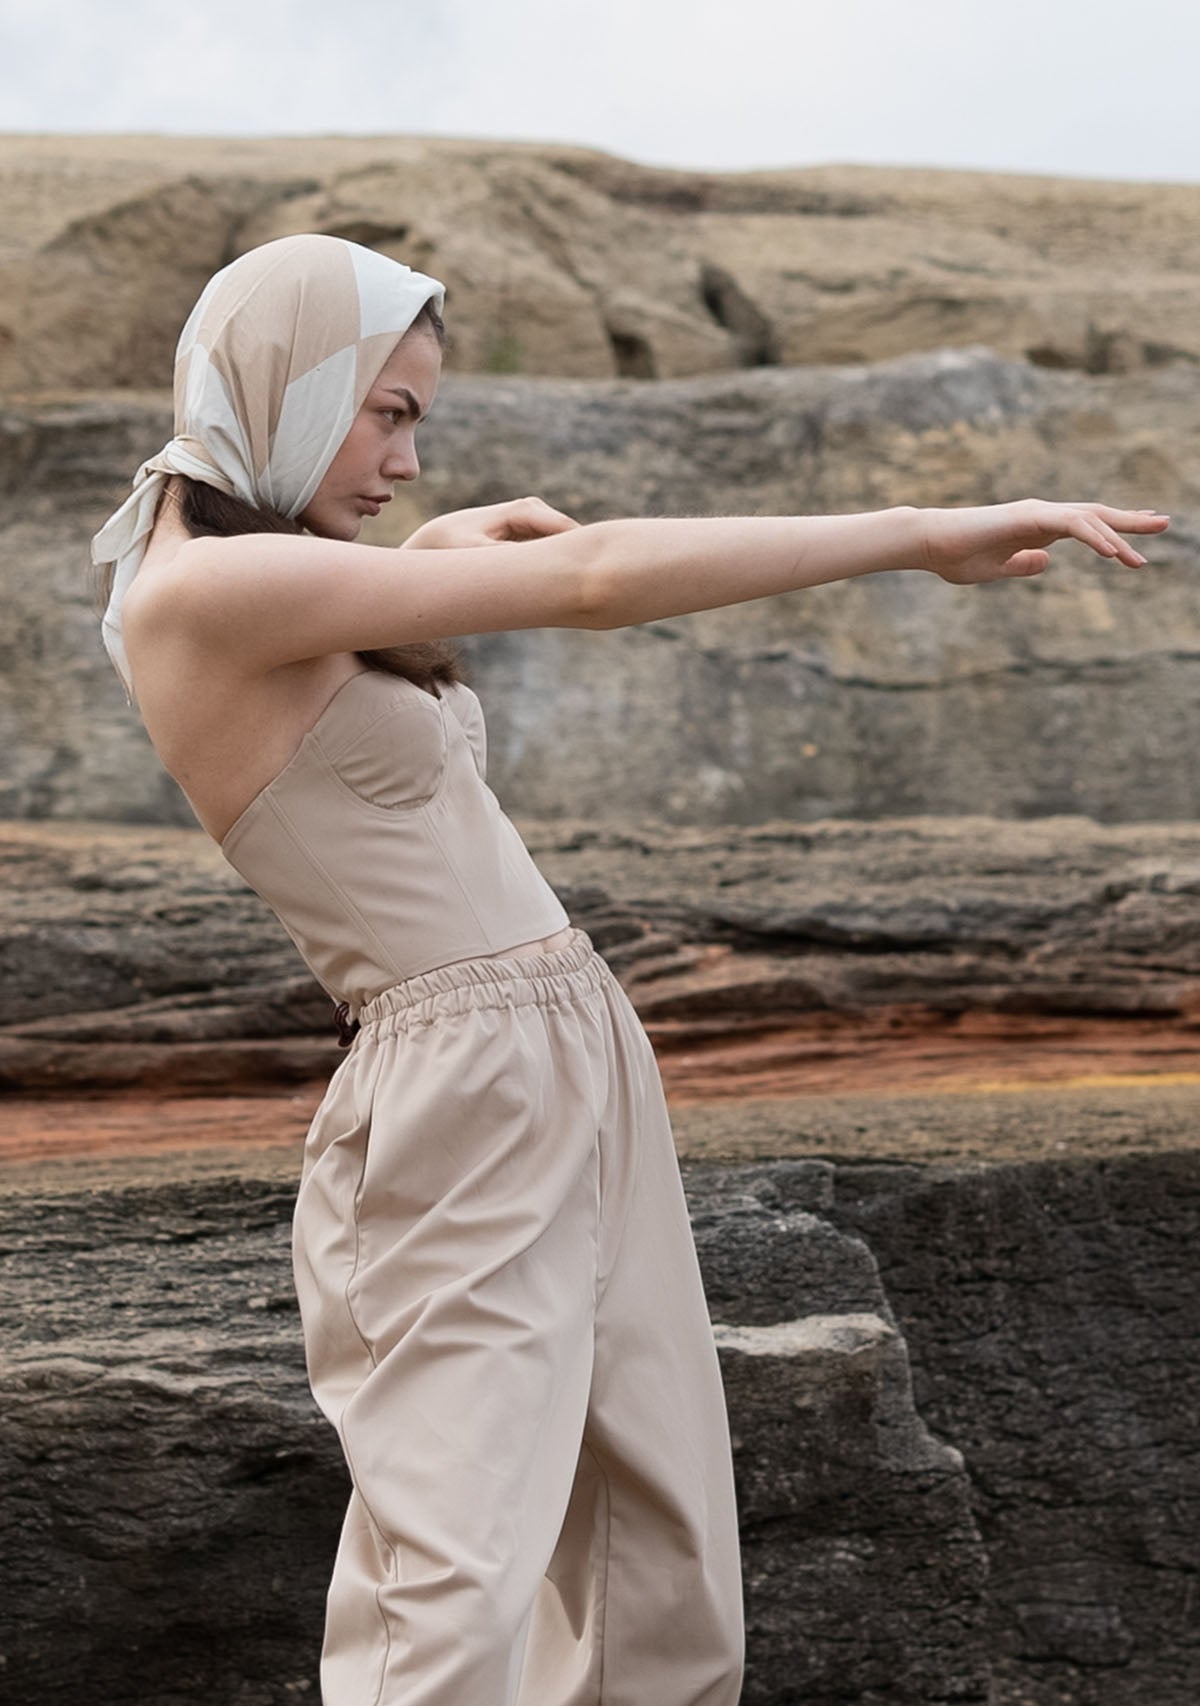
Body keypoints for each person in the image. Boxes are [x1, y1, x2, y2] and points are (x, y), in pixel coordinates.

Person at [90, 231, 1170, 1706]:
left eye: (419, 419)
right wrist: (923, 530)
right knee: (449, 1581)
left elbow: (349, 670)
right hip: (458, 1090)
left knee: (657, 1554)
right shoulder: (197, 591)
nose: (409, 459)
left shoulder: (280, 582)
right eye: (387, 412)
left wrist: (421, 561)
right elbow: (595, 577)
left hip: (570, 1051)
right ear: (290, 382)